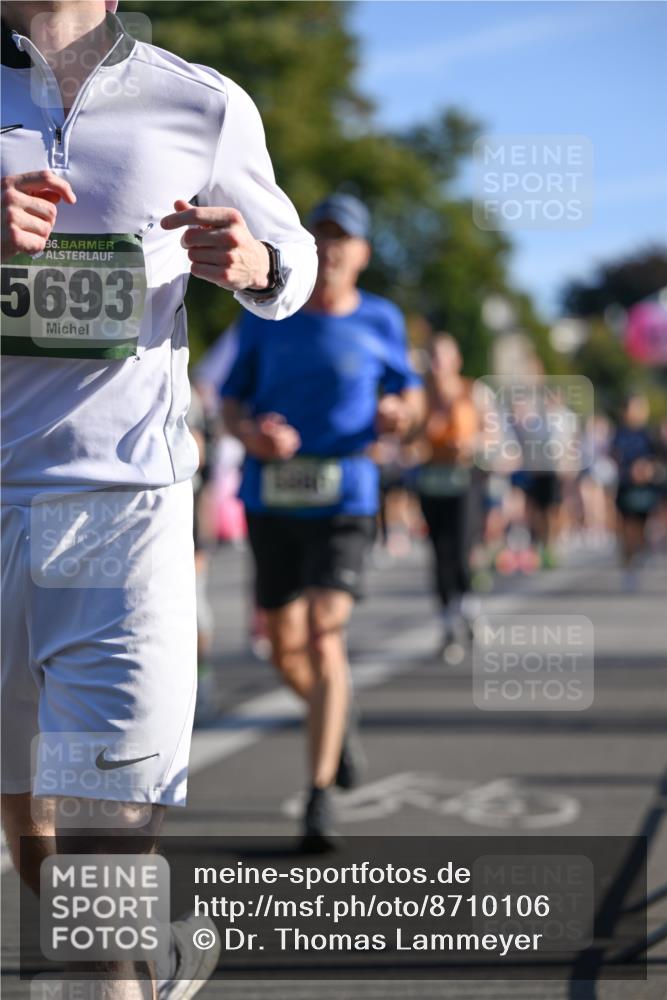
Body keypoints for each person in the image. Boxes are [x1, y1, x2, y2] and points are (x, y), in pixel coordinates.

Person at [1, 2, 317, 997]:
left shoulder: (200, 103)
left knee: (105, 835)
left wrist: (256, 263)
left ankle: (115, 968)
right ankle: (138, 954)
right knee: (29, 821)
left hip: (121, 507)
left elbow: (292, 255)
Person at [220, 193, 425, 849]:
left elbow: (408, 396)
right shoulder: (265, 311)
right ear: (305, 246)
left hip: (346, 495)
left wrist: (401, 414)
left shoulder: (380, 319)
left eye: (345, 238)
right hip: (272, 494)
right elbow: (230, 403)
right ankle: (334, 716)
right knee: (283, 648)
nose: (332, 249)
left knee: (323, 636)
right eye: (322, 236)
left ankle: (317, 798)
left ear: (363, 254)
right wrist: (253, 435)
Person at [415, 334, 480, 658]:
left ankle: (466, 607)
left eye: (443, 357)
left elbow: (495, 436)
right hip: (430, 481)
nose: (437, 365)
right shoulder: (419, 396)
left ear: (456, 361)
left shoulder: (473, 392)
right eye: (432, 357)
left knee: (461, 549)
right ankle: (448, 624)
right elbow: (408, 438)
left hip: (464, 480)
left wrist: (472, 446)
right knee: (439, 553)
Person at [611, 395, 660, 591]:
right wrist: (630, 471)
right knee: (627, 529)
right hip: (626, 487)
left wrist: (648, 470)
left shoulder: (649, 435)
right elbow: (614, 458)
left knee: (641, 529)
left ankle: (639, 555)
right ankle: (628, 567)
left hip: (645, 490)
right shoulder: (619, 435)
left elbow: (657, 460)